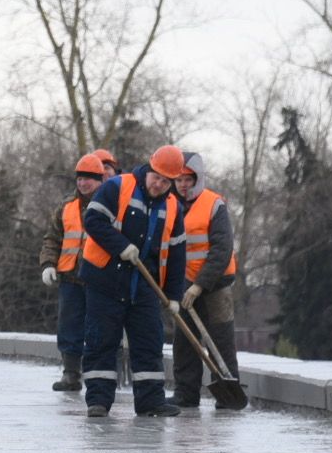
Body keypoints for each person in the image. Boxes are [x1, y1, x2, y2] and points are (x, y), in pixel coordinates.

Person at [78, 144, 189, 418]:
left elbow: (176, 254)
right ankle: (98, 401)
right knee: (101, 341)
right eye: (156, 177)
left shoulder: (173, 208)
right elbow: (92, 220)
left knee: (149, 342)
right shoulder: (118, 187)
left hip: (144, 285)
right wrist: (121, 246)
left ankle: (151, 402)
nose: (159, 184)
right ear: (149, 168)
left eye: (166, 181)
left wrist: (174, 296)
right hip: (105, 279)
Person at [172, 151, 241, 409]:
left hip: (214, 286)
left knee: (220, 340)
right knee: (185, 341)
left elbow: (221, 250)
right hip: (183, 286)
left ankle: (227, 392)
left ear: (197, 178)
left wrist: (200, 284)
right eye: (178, 180)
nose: (182, 184)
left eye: (187, 179)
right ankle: (185, 394)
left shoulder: (214, 205)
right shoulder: (169, 205)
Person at [39, 154, 106, 392]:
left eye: (88, 179)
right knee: (68, 326)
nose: (83, 183)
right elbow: (52, 239)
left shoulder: (111, 205)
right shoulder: (66, 207)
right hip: (69, 278)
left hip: (100, 279)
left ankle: (99, 375)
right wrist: (48, 264)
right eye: (80, 178)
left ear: (100, 180)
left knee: (99, 328)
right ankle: (71, 374)